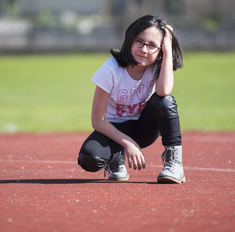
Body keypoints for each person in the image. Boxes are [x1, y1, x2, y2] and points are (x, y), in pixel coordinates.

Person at [77, 15, 185, 183]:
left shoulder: (156, 66)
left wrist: (168, 48)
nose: (144, 50)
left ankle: (174, 163)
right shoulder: (110, 70)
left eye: (152, 46)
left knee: (165, 101)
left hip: (143, 129)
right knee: (89, 158)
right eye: (139, 42)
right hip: (112, 129)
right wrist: (128, 144)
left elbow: (163, 91)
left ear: (159, 52)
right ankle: (115, 158)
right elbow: (98, 121)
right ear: (129, 41)